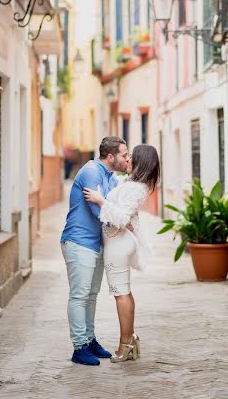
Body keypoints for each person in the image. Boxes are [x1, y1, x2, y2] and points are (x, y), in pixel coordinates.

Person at [84, 144, 160, 363]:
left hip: (118, 243)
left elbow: (122, 218)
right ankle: (130, 339)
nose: (127, 161)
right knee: (124, 291)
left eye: (131, 158)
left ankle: (124, 345)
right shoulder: (132, 183)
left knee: (120, 293)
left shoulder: (136, 188)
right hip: (118, 241)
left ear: (140, 163)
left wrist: (100, 200)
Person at [61, 136, 129, 366]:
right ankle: (79, 346)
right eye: (124, 154)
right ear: (110, 157)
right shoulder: (91, 172)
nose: (127, 158)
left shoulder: (110, 177)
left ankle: (89, 340)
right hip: (79, 242)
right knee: (79, 296)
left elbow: (116, 206)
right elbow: (99, 212)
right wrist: (116, 214)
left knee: (91, 296)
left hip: (96, 243)